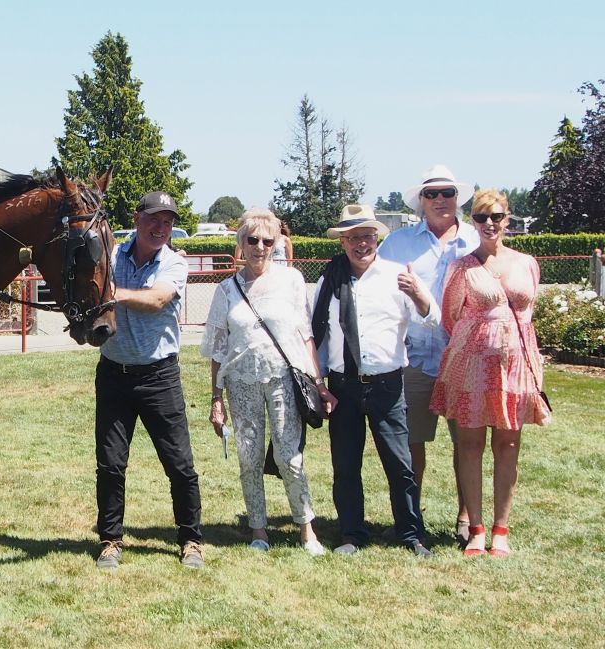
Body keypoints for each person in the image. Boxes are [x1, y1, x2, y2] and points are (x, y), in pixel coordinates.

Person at [204, 209, 334, 555]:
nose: (260, 247)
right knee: (249, 457)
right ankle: (258, 530)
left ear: (276, 243)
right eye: (252, 240)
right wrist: (216, 399)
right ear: (241, 244)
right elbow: (217, 348)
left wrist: (318, 384)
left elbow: (306, 335)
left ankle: (307, 528)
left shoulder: (290, 281)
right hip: (241, 381)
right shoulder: (226, 289)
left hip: (282, 379)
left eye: (267, 241)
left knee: (290, 455)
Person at [429, 189, 552, 557]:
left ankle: (501, 529)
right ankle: (476, 529)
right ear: (473, 222)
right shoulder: (462, 267)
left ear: (508, 220)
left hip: (516, 367)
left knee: (508, 445)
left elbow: (528, 317)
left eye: (496, 216)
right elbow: (450, 317)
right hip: (470, 367)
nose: (489, 224)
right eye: (481, 218)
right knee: (469, 445)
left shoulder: (526, 263)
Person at [313, 204, 437, 557]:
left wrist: (417, 294)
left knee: (401, 465)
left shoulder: (398, 275)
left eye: (367, 236)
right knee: (346, 466)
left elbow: (430, 319)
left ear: (377, 237)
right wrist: (319, 384)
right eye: (353, 237)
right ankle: (352, 533)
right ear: (342, 243)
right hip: (343, 387)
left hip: (387, 386)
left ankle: (411, 534)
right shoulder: (330, 279)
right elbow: (315, 333)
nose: (361, 244)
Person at [94, 190, 205, 570]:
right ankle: (110, 540)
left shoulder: (174, 263)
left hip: (159, 376)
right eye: (154, 219)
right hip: (113, 375)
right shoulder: (110, 257)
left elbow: (157, 300)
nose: (161, 227)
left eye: (168, 221)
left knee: (179, 465)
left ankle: (191, 539)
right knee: (110, 464)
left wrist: (108, 293)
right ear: (137, 217)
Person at [379, 164, 480, 544]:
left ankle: (468, 518)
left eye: (447, 193)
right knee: (410, 444)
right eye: (432, 194)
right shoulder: (398, 243)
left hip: (465, 360)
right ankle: (410, 518)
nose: (440, 200)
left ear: (458, 198)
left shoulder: (475, 240)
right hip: (414, 357)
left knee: (467, 444)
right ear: (420, 201)